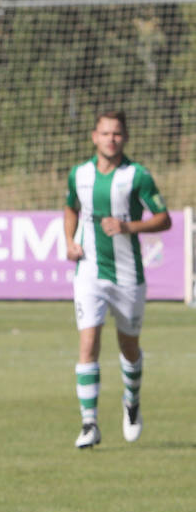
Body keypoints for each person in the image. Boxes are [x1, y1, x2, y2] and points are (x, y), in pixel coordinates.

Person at [63, 110, 170, 448]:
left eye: (117, 134)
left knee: (129, 346)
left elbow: (164, 219)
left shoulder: (137, 176)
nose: (111, 139)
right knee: (88, 343)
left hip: (128, 275)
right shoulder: (79, 174)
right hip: (90, 273)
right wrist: (69, 241)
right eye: (106, 133)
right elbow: (70, 208)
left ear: (125, 138)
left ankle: (132, 402)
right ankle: (89, 424)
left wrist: (128, 227)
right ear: (95, 137)